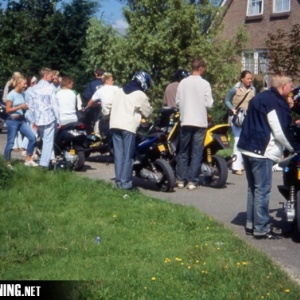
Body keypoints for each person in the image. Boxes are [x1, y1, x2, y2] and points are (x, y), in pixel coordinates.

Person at [237, 74, 295, 239]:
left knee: (253, 189)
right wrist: (295, 148)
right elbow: (281, 130)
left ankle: (251, 224)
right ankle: (261, 228)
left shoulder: (260, 96)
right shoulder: (275, 102)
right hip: (260, 151)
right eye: (291, 87)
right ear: (283, 86)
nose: (292, 91)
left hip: (246, 148)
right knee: (262, 190)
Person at [102, 71, 153, 190]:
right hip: (128, 128)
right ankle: (126, 184)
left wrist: (106, 117)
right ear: (143, 82)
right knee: (128, 157)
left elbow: (106, 106)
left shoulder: (118, 91)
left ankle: (119, 182)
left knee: (118, 156)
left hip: (114, 126)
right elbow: (148, 112)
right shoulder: (140, 94)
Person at [175, 57, 214, 191]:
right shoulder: (205, 84)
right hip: (199, 122)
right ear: (201, 68)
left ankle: (180, 179)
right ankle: (192, 181)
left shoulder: (183, 83)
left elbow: (178, 101)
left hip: (186, 120)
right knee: (197, 152)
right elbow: (209, 104)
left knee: (183, 151)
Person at [27, 68, 61, 168]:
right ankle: (44, 164)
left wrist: (33, 120)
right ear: (46, 76)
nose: (52, 77)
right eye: (51, 76)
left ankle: (51, 160)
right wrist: (58, 119)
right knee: (48, 141)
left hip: (38, 119)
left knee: (45, 140)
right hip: (49, 117)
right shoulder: (50, 88)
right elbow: (55, 105)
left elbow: (31, 106)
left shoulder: (34, 88)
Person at [225, 70, 256, 175]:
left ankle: (242, 163)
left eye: (251, 78)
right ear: (242, 79)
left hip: (248, 119)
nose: (250, 80)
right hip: (236, 118)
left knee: (247, 142)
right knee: (238, 140)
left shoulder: (253, 90)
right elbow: (227, 100)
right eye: (248, 78)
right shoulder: (235, 88)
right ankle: (236, 167)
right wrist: (232, 109)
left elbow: (254, 103)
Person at [4, 76, 38, 169]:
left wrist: (26, 107)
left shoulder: (23, 94)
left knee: (32, 137)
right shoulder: (11, 94)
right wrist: (20, 107)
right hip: (12, 120)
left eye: (26, 84)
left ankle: (28, 160)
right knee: (10, 143)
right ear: (18, 84)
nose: (26, 85)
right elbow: (7, 110)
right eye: (24, 84)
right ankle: (7, 163)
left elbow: (23, 105)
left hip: (21, 120)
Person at [21, 76, 39, 158]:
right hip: (32, 113)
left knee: (29, 131)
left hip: (27, 113)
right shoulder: (33, 91)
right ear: (32, 83)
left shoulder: (26, 91)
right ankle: (27, 149)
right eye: (35, 82)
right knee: (33, 132)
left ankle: (24, 148)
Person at [84, 68, 104, 135]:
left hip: (94, 109)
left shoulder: (92, 84)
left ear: (96, 74)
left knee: (93, 124)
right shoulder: (106, 84)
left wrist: (95, 104)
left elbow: (88, 97)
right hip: (105, 108)